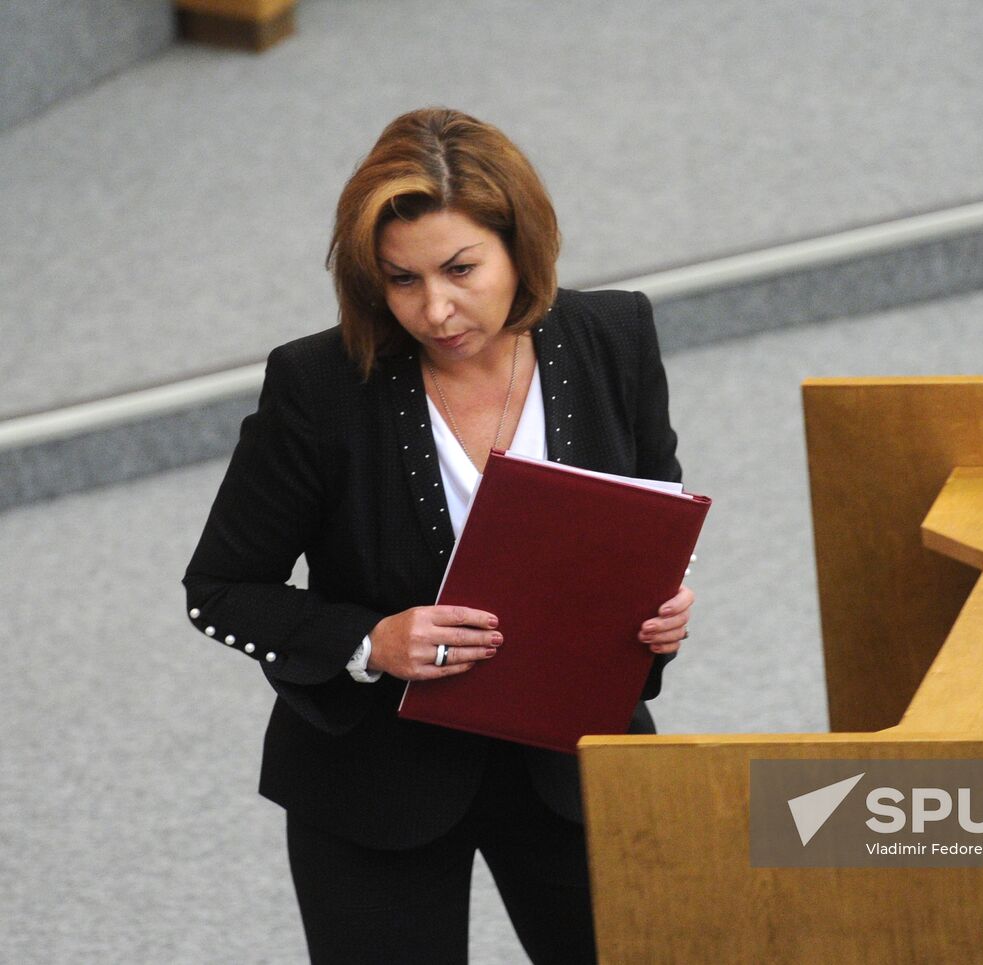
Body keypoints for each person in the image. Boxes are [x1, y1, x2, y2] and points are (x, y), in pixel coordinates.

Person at [183, 107, 693, 964]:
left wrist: (665, 607)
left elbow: (652, 509)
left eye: (461, 268)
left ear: (521, 245)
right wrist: (369, 639)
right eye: (401, 280)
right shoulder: (317, 386)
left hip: (573, 763)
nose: (436, 308)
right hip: (374, 780)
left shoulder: (615, 336)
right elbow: (222, 587)